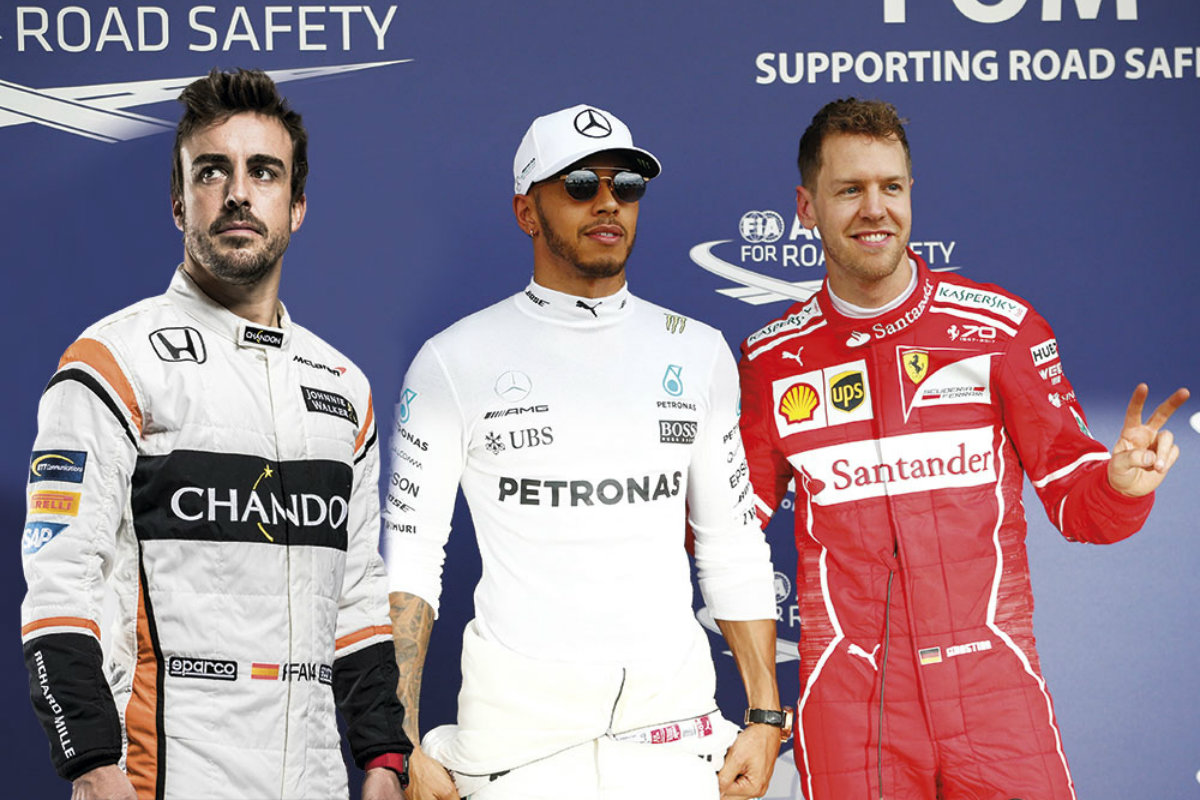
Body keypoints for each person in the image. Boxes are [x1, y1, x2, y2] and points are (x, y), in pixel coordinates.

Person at [736, 97, 1189, 800]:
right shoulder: (771, 362)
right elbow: (727, 530)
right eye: (849, 190)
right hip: (852, 708)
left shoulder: (998, 329)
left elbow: (1079, 506)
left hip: (993, 691)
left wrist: (1121, 487)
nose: (875, 209)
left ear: (910, 194)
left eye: (891, 186)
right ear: (806, 207)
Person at [19, 68, 411, 800]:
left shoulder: (343, 388)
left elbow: (356, 597)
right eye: (211, 171)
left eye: (264, 171)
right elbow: (59, 584)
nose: (238, 192)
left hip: (317, 782)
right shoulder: (112, 363)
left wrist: (385, 757)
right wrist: (91, 763)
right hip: (163, 778)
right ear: (179, 203)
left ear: (296, 206)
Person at [383, 104, 784, 800]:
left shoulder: (698, 352)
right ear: (526, 211)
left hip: (675, 743)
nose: (607, 202)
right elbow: (409, 560)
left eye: (626, 184)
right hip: (515, 751)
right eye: (578, 185)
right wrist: (401, 739)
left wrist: (766, 716)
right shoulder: (453, 360)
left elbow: (732, 543)